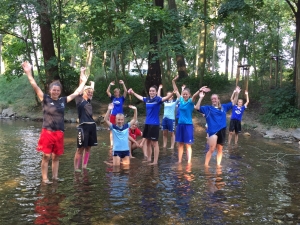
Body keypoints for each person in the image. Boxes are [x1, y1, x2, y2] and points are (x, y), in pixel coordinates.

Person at [21, 61, 88, 184]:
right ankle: (45, 178)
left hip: (59, 133)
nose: (56, 92)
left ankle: (55, 177)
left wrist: (83, 80)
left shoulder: (63, 100)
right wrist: (28, 73)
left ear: (60, 91)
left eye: (58, 90)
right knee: (46, 156)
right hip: (47, 132)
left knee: (56, 157)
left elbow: (76, 93)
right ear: (50, 90)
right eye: (54, 90)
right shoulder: (45, 98)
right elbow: (35, 86)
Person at [195, 86, 240, 167]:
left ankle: (218, 165)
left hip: (222, 130)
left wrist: (237, 94)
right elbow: (197, 107)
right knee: (212, 149)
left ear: (218, 99)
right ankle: (206, 165)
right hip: (213, 131)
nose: (213, 100)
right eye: (212, 99)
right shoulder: (208, 108)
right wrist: (200, 98)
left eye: (215, 98)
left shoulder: (224, 107)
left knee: (220, 150)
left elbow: (234, 103)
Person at [128, 86, 173, 165]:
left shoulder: (158, 99)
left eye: (153, 91)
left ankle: (155, 161)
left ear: (156, 92)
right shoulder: (147, 99)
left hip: (154, 124)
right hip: (147, 123)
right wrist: (133, 92)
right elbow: (141, 97)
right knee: (148, 142)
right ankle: (149, 159)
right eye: (150, 91)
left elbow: (166, 98)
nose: (151, 92)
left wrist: (173, 92)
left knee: (155, 144)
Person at [172, 75, 202, 164]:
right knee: (180, 144)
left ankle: (189, 162)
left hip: (188, 125)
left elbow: (195, 96)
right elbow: (176, 90)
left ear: (189, 95)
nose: (184, 95)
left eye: (186, 94)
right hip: (180, 124)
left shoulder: (190, 102)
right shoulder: (180, 100)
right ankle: (179, 160)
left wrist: (200, 90)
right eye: (184, 94)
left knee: (188, 145)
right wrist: (173, 81)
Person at [73, 81, 98, 172]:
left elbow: (91, 91)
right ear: (83, 92)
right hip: (83, 127)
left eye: (91, 92)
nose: (90, 93)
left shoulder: (88, 101)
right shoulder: (79, 100)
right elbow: (79, 89)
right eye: (88, 92)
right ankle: (76, 168)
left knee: (88, 148)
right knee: (80, 149)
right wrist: (83, 75)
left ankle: (84, 166)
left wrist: (92, 85)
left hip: (92, 127)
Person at [106, 80, 127, 147]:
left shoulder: (122, 98)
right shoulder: (113, 98)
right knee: (112, 130)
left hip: (120, 116)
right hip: (113, 115)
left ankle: (120, 142)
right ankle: (112, 144)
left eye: (117, 92)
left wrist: (123, 83)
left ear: (119, 92)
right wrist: (110, 84)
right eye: (115, 92)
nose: (116, 93)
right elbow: (107, 91)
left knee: (120, 129)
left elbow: (126, 91)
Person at [157, 84, 178, 149]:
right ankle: (164, 146)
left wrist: (176, 90)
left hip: (171, 119)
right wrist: (160, 88)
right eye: (167, 95)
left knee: (172, 133)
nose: (168, 96)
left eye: (170, 95)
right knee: (164, 133)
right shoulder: (165, 101)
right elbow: (158, 97)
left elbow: (179, 97)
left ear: (172, 95)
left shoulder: (175, 101)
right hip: (164, 119)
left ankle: (172, 147)